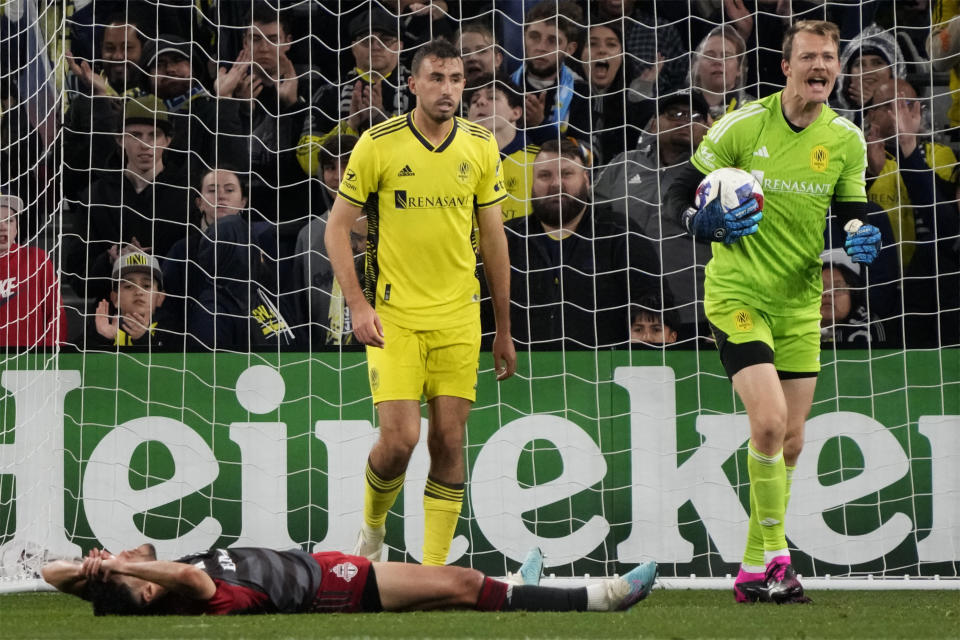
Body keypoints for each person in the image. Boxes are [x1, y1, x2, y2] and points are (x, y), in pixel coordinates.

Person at [663, 20, 881, 604]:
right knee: (767, 424)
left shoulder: (845, 139)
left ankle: (752, 572)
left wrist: (862, 233)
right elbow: (677, 190)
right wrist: (696, 223)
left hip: (800, 302)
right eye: (808, 56)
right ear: (785, 67)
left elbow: (854, 210)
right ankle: (782, 560)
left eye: (829, 58)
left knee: (790, 442)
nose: (821, 66)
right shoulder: (742, 125)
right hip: (738, 295)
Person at [325, 39, 516, 566]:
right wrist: (359, 306)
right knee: (401, 439)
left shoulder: (480, 146)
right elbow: (337, 229)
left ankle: (433, 571)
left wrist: (501, 326)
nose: (448, 89)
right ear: (412, 83)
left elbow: (494, 239)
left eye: (456, 79)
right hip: (395, 318)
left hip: (458, 317)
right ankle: (371, 532)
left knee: (450, 443)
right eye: (436, 78)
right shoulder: (378, 143)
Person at [41, 543, 657, 616]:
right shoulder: (198, 594)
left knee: (451, 586)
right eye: (131, 569)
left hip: (322, 565)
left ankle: (518, 583)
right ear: (147, 590)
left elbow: (50, 573)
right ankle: (599, 598)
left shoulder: (148, 580)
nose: (130, 555)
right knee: (464, 585)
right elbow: (165, 565)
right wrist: (117, 567)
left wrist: (93, 568)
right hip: (335, 587)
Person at [505, 138, 665, 349]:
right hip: (521, 372)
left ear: (587, 179)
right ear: (532, 183)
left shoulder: (618, 232)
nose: (556, 184)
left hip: (602, 371)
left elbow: (653, 299)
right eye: (545, 175)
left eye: (566, 174)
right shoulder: (508, 237)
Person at [593, 91, 713, 338]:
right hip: (623, 310)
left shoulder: (717, 174)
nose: (684, 120)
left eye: (694, 115)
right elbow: (593, 223)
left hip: (694, 312)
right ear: (655, 123)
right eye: (674, 114)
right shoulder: (622, 165)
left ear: (708, 125)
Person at [214, 3, 319, 245]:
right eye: (255, 39)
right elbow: (222, 162)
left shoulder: (311, 83)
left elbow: (304, 165)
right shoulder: (228, 86)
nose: (263, 48)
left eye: (272, 39)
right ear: (244, 42)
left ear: (288, 41)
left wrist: (293, 106)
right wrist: (228, 104)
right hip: (241, 222)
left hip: (294, 221)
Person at [70, 96, 191, 303]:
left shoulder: (187, 196)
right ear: (120, 139)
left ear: (168, 140)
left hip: (173, 320)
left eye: (154, 135)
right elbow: (79, 281)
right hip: (109, 319)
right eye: (135, 135)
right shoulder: (95, 196)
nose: (145, 144)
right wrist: (111, 260)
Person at [296, 7, 412, 178]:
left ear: (400, 45)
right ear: (353, 48)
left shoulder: (418, 88)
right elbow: (307, 160)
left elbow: (432, 147)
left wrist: (383, 119)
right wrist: (349, 125)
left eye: (385, 39)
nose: (375, 46)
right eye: (366, 40)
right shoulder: (328, 93)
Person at [63, 9, 153, 201]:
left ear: (144, 50)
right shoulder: (84, 105)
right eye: (110, 48)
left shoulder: (158, 101)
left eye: (127, 48)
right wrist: (101, 101)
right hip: (95, 213)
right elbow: (68, 175)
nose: (118, 56)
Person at [139, 34, 246, 176]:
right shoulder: (134, 114)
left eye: (177, 60)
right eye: (159, 64)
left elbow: (234, 167)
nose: (170, 69)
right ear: (147, 76)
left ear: (193, 67)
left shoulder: (215, 111)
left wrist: (225, 98)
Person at [510, 0, 590, 146]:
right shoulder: (503, 87)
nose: (541, 47)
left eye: (552, 41)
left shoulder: (583, 92)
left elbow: (588, 157)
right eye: (534, 36)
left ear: (570, 49)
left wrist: (540, 124)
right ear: (523, 37)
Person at [465, 75, 538, 222]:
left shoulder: (539, 161)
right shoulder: (458, 162)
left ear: (516, 112)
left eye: (492, 97)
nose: (480, 102)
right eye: (474, 100)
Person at [0, 191, 65, 347]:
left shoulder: (37, 260)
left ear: (16, 229)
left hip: (29, 364)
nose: (3, 227)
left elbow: (56, 315)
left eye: (9, 221)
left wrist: (47, 358)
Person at [89, 249, 176, 349]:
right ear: (115, 298)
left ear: (160, 298)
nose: (138, 292)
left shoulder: (171, 330)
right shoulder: (101, 326)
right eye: (129, 286)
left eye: (146, 286)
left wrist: (143, 338)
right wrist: (104, 337)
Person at [835, 24, 905, 125]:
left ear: (892, 70)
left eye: (877, 63)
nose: (868, 70)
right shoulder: (830, 112)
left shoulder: (909, 104)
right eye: (859, 64)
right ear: (847, 73)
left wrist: (870, 104)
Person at [819, 249, 890, 348]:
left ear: (853, 293)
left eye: (838, 287)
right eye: (819, 287)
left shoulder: (867, 328)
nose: (827, 293)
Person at [690, 26, 755, 120]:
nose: (718, 61)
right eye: (709, 56)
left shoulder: (753, 110)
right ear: (696, 67)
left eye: (726, 56)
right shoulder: (681, 106)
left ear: (739, 68)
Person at [457, 20, 505, 87]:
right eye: (464, 52)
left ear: (498, 59)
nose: (472, 57)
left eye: (482, 51)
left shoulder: (514, 95)